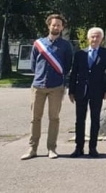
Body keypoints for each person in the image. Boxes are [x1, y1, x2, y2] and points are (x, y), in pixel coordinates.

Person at [21, 14, 74, 160]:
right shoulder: (39, 43)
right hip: (38, 85)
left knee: (54, 118)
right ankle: (32, 148)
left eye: (59, 25)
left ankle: (52, 148)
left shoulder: (66, 45)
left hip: (56, 87)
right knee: (35, 118)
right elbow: (34, 65)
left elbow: (68, 65)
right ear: (48, 25)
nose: (56, 27)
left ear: (62, 27)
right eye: (53, 24)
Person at [68, 27, 106, 158]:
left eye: (97, 36)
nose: (95, 39)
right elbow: (74, 74)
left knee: (95, 120)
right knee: (79, 120)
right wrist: (71, 91)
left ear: (101, 39)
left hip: (97, 91)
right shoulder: (80, 54)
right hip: (81, 91)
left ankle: (93, 147)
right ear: (88, 38)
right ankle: (79, 147)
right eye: (92, 36)